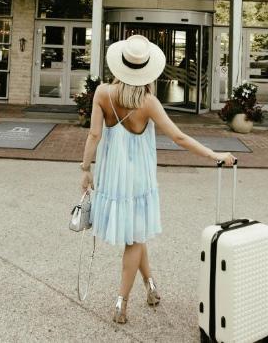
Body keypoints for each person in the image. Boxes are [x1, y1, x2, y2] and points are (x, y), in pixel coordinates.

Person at [79, 34, 237, 324]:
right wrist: (213, 154)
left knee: (136, 236)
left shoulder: (102, 93)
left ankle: (150, 286)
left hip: (113, 177)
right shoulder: (148, 101)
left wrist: (85, 169)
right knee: (135, 238)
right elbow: (179, 137)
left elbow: (94, 135)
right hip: (139, 178)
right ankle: (121, 302)